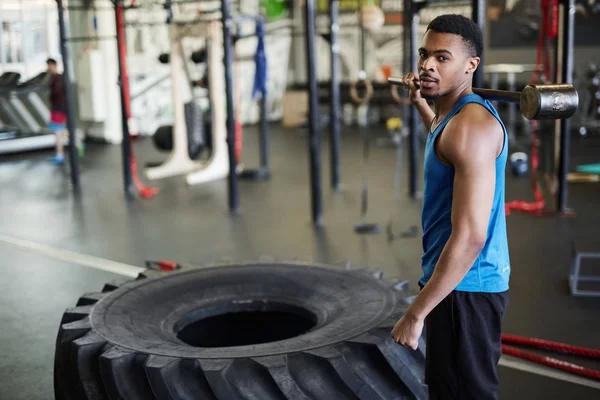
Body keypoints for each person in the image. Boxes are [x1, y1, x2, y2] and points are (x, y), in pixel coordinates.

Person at [391, 14, 510, 400]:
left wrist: (416, 313)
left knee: (464, 393)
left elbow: (472, 236)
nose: (427, 64)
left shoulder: (471, 127)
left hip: (465, 287)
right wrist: (421, 105)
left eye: (442, 58)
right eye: (425, 55)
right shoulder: (451, 117)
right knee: (447, 388)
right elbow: (442, 142)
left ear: (470, 65)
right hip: (453, 279)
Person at [46, 58, 83, 164]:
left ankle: (59, 155)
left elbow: (58, 94)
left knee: (58, 132)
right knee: (60, 131)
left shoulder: (58, 78)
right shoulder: (53, 77)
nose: (48, 67)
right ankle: (78, 142)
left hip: (60, 108)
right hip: (56, 108)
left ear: (53, 65)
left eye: (49, 65)